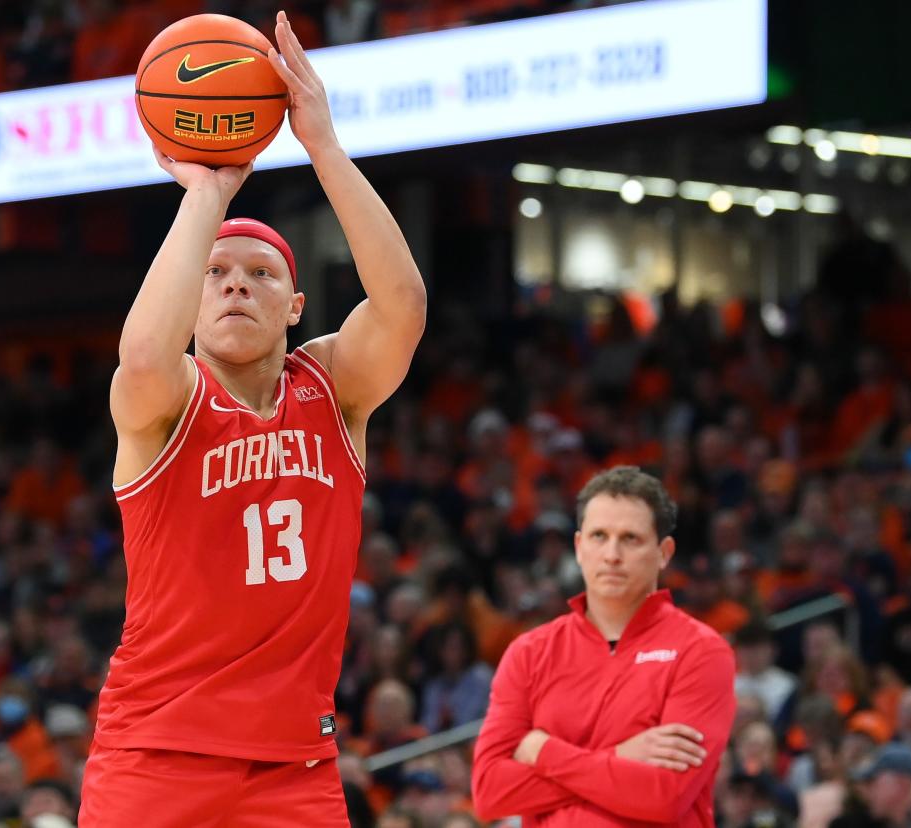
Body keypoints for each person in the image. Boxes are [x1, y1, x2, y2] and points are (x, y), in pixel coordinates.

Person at [78, 10, 426, 827]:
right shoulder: (163, 403)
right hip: (156, 755)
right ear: (188, 307)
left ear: (296, 305)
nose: (237, 285)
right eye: (216, 274)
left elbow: (403, 305)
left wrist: (325, 148)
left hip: (293, 766)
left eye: (261, 274)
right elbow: (142, 353)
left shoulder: (334, 389)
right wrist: (209, 190)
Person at [471, 466, 737, 826]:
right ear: (579, 548)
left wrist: (545, 751)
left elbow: (665, 796)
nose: (612, 554)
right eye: (599, 536)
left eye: (630, 538)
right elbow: (490, 793)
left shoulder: (701, 651)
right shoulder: (529, 652)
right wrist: (621, 755)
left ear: (664, 552)